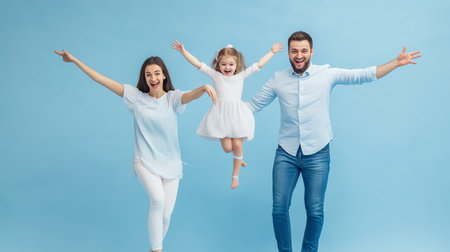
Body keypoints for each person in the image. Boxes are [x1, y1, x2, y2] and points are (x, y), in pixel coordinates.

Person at [245, 31, 421, 252]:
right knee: (279, 209)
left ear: (311, 52)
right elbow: (252, 106)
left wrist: (395, 63)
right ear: (289, 53)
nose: (298, 55)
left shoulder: (326, 74)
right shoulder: (278, 79)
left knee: (315, 210)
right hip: (286, 153)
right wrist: (222, 112)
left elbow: (363, 75)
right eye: (294, 51)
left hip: (318, 153)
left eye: (303, 51)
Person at [54, 49, 217, 252]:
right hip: (145, 161)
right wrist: (76, 60)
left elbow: (190, 96)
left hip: (171, 163)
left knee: (166, 215)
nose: (153, 78)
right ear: (144, 78)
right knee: (157, 200)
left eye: (157, 73)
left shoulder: (172, 98)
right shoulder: (136, 97)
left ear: (164, 75)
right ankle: (157, 249)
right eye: (148, 74)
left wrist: (204, 87)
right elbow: (101, 80)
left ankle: (153, 248)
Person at [171, 40, 283, 189]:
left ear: (237, 65)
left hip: (238, 114)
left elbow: (259, 64)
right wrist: (183, 51)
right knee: (228, 148)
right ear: (218, 65)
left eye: (231, 64)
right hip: (221, 116)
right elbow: (197, 63)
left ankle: (235, 176)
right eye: (224, 64)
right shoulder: (215, 75)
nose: (227, 67)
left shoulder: (241, 75)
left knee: (237, 143)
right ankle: (239, 156)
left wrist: (272, 52)